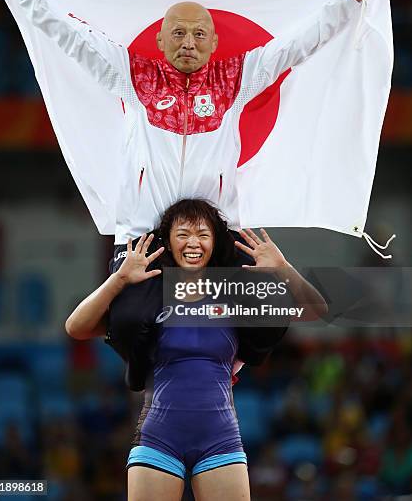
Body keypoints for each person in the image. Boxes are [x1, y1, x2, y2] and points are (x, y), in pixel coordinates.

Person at [3, 0, 376, 250]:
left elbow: (298, 42)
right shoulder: (131, 75)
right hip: (142, 237)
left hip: (213, 237)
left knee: (225, 339)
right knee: (133, 332)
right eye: (178, 33)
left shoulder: (237, 78)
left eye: (199, 34)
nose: (188, 43)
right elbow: (72, 37)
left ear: (213, 43)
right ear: (160, 41)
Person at [65, 199, 327, 501]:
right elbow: (76, 327)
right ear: (168, 242)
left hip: (221, 441)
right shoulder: (148, 295)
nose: (193, 243)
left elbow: (315, 309)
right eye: (183, 234)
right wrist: (120, 278)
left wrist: (283, 268)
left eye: (203, 234)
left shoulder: (233, 294)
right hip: (158, 440)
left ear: (215, 242)